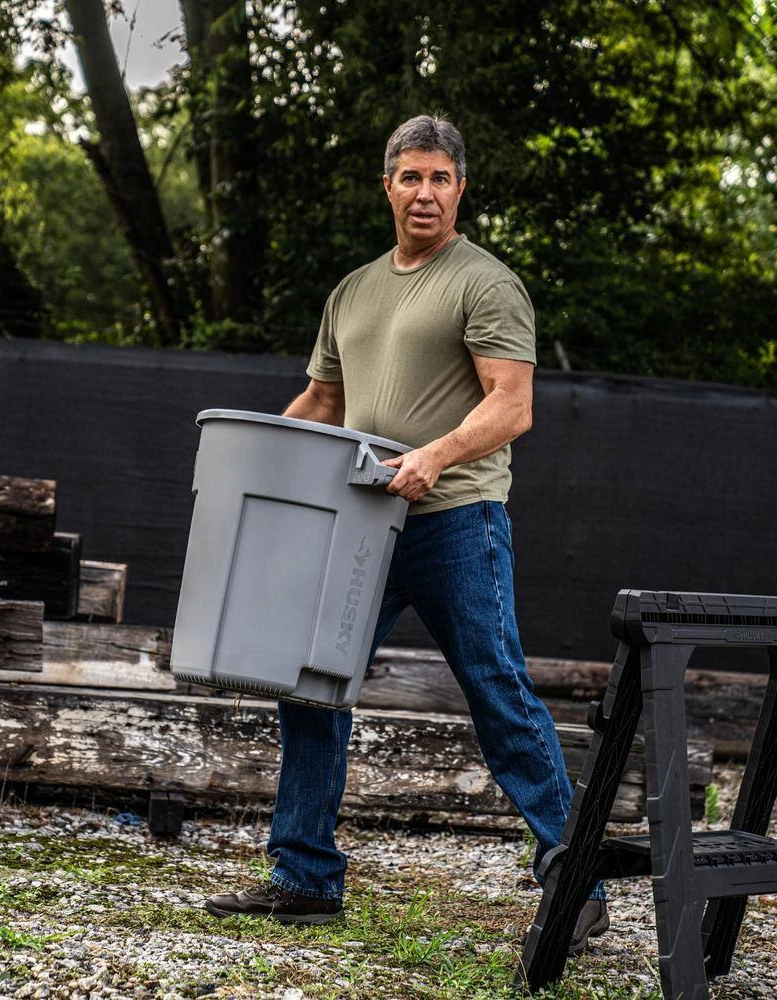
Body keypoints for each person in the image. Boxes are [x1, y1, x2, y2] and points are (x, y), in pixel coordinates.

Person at [205, 114, 608, 953]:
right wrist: (252, 471)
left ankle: (576, 878)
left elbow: (512, 405)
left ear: (461, 189)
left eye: (441, 178)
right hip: (358, 520)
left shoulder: (485, 283)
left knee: (498, 690)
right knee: (308, 682)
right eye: (411, 176)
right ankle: (304, 877)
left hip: (455, 518)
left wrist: (433, 456)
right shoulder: (353, 291)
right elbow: (321, 403)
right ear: (387, 185)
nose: (425, 192)